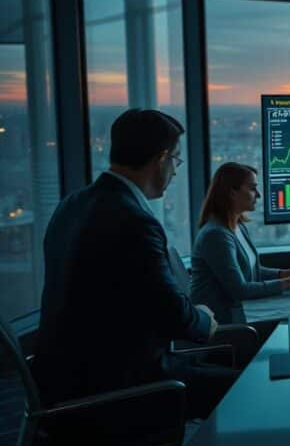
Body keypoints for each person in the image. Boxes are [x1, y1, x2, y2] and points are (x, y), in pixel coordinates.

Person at [32, 109, 235, 426]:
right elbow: (173, 315)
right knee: (248, 388)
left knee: (229, 364)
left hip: (64, 381)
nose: (176, 171)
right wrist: (204, 321)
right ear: (162, 158)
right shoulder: (133, 221)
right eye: (176, 161)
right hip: (117, 389)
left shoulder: (73, 204)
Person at [191, 162, 290, 324]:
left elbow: (250, 271)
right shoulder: (216, 235)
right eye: (252, 188)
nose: (258, 195)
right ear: (232, 192)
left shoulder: (237, 226)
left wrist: (289, 272)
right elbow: (241, 290)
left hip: (246, 309)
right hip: (227, 320)